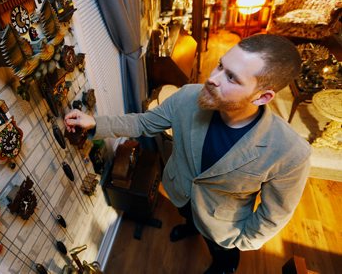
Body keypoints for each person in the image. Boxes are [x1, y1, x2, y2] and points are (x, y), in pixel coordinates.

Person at [64, 34, 311, 274]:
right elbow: (144, 123)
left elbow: (273, 214)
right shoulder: (188, 97)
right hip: (180, 193)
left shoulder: (290, 153)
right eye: (220, 65)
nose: (213, 79)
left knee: (221, 253)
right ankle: (191, 227)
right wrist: (96, 123)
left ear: (262, 97)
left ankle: (224, 263)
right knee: (189, 217)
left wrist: (241, 241)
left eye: (232, 78)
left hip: (222, 225)